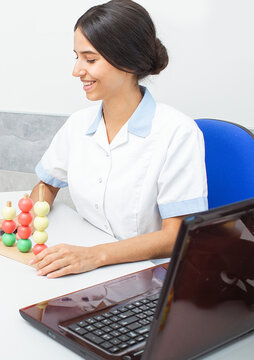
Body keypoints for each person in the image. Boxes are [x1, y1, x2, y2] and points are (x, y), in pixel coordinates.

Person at [28, 0, 207, 278]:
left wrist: (94, 255)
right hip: (86, 264)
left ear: (127, 61)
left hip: (148, 275)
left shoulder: (177, 133)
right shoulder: (78, 124)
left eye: (90, 59)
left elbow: (176, 236)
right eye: (76, 57)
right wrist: (29, 217)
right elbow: (46, 185)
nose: (76, 70)